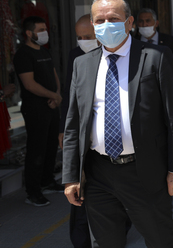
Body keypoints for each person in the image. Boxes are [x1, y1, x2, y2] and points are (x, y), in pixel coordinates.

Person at [62, 0, 173, 248]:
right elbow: (74, 125)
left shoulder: (156, 57)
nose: (106, 24)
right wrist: (71, 176)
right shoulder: (82, 64)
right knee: (105, 243)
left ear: (129, 22)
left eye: (113, 18)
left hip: (143, 171)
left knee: (162, 240)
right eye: (99, 20)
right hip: (98, 173)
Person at [58, 14, 101, 248]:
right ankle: (81, 240)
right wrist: (63, 129)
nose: (84, 41)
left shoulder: (115, 57)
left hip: (110, 142)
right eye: (80, 37)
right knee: (79, 191)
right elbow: (69, 96)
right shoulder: (76, 57)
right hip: (83, 138)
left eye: (89, 37)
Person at [13, 16, 63, 207]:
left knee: (51, 146)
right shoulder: (23, 55)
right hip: (35, 109)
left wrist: (57, 94)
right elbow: (29, 84)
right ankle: (32, 192)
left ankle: (47, 181)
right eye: (40, 30)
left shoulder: (44, 51)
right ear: (28, 33)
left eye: (45, 29)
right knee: (36, 150)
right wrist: (53, 95)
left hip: (51, 106)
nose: (45, 33)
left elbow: (54, 75)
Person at [135, 8, 173, 83]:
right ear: (137, 24)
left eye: (148, 21)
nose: (144, 24)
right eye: (141, 21)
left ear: (156, 23)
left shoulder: (170, 42)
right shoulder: (133, 42)